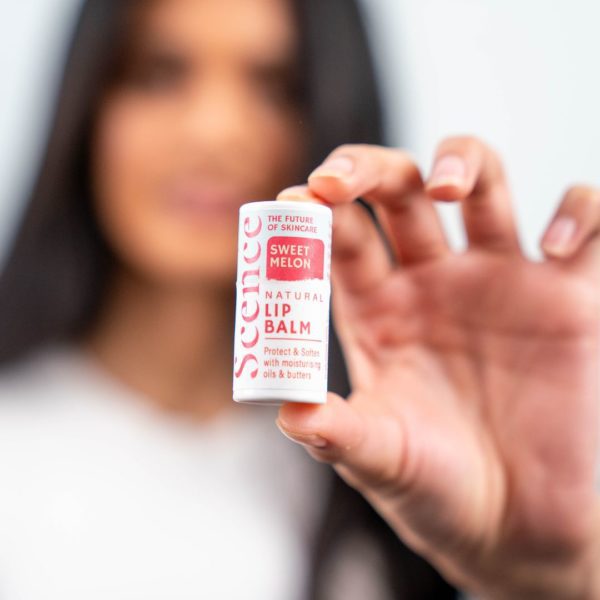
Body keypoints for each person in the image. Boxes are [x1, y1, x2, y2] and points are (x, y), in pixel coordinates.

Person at [0, 0, 456, 598]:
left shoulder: (393, 483)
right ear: (88, 102)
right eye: (160, 72)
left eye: (277, 87)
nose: (214, 133)